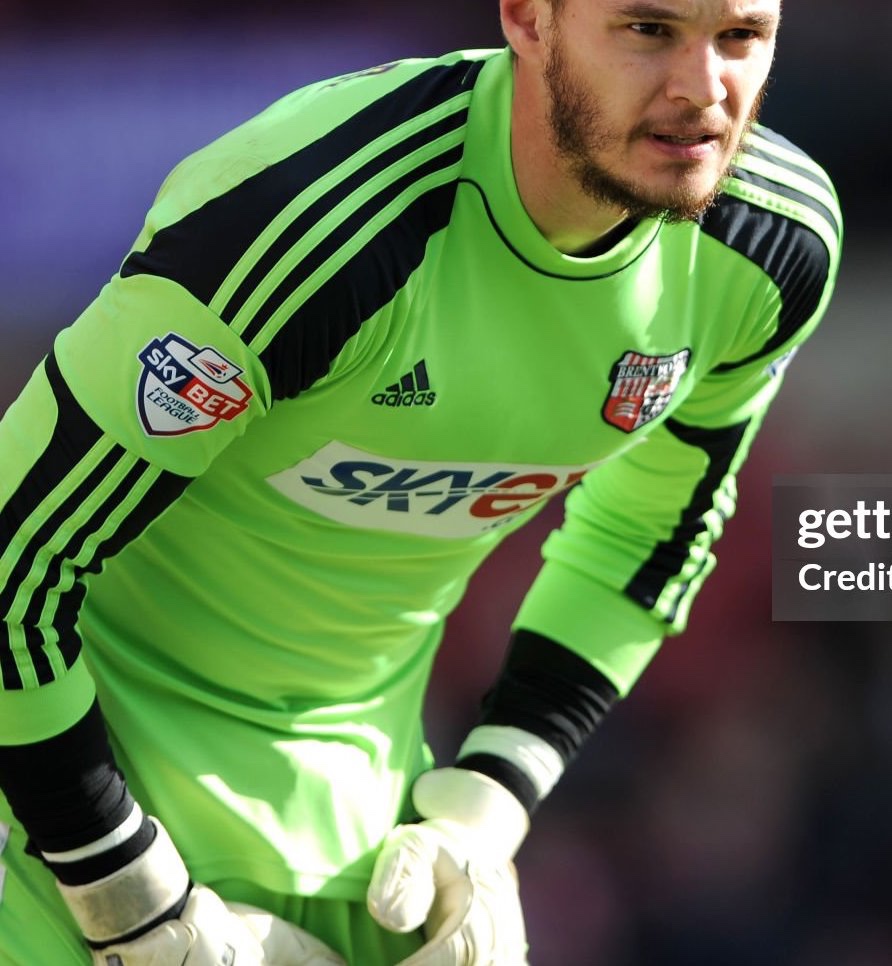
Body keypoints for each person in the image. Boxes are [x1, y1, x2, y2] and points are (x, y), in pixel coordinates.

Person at [0, 0, 842, 963]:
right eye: (648, 30)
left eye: (740, 36)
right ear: (529, 19)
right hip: (51, 821)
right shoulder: (319, 216)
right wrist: (124, 889)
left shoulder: (772, 244)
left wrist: (487, 808)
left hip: (373, 854)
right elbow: (14, 562)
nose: (703, 90)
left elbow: (648, 538)